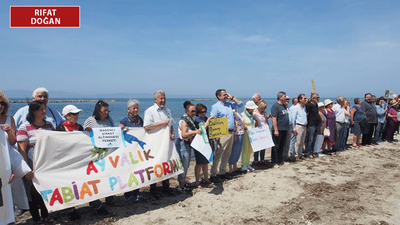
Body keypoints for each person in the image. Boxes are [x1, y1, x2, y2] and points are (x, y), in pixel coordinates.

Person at [16, 101, 54, 225]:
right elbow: (22, 150)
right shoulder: (24, 127)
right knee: (32, 193)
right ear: (33, 112)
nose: (44, 111)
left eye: (45, 109)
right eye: (41, 109)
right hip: (32, 165)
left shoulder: (48, 125)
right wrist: (26, 169)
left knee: (45, 190)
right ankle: (36, 219)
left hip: (46, 164)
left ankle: (45, 216)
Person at [0, 90, 33, 216]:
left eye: (2, 103)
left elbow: (13, 141)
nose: (0, 106)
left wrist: (9, 131)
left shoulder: (10, 119)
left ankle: (15, 209)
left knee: (14, 183)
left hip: (8, 154)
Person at [83, 100, 116, 207]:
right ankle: (95, 201)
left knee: (109, 176)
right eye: (104, 111)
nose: (106, 112)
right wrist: (87, 130)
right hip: (96, 155)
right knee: (96, 178)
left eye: (108, 110)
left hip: (108, 154)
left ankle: (110, 198)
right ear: (98, 111)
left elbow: (114, 132)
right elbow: (83, 136)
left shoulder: (109, 120)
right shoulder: (90, 120)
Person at [143, 90, 175, 198]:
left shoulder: (167, 111)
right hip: (154, 143)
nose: (163, 100)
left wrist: (172, 133)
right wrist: (161, 124)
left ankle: (166, 187)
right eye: (161, 98)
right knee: (155, 164)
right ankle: (153, 189)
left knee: (166, 162)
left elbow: (171, 124)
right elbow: (146, 127)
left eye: (164, 98)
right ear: (155, 99)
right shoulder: (149, 111)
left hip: (166, 142)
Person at [209, 89, 243, 182]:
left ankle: (222, 172)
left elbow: (240, 104)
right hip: (222, 132)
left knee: (226, 154)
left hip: (231, 132)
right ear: (219, 96)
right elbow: (213, 120)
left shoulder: (229, 104)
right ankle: (213, 174)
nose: (226, 96)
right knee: (218, 154)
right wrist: (216, 135)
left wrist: (232, 97)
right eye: (224, 95)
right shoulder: (215, 106)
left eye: (226, 94)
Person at [119, 99, 146, 203]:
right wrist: (121, 128)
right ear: (128, 109)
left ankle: (136, 193)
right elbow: (119, 131)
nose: (136, 110)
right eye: (133, 108)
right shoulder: (124, 121)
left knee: (139, 172)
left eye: (137, 108)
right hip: (128, 153)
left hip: (138, 151)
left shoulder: (141, 120)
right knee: (129, 173)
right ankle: (128, 194)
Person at [176, 102, 202, 191]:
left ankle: (182, 184)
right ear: (187, 111)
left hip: (188, 144)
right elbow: (184, 135)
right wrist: (195, 132)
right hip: (183, 144)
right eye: (192, 111)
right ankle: (181, 186)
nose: (194, 112)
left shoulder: (191, 118)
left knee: (186, 165)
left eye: (195, 111)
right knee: (184, 164)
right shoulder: (184, 121)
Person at [193, 103, 214, 187]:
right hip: (199, 143)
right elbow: (202, 128)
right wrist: (208, 120)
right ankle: (197, 181)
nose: (204, 113)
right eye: (202, 112)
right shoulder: (196, 119)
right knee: (199, 163)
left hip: (207, 142)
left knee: (206, 162)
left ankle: (206, 178)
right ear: (198, 112)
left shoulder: (205, 118)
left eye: (205, 111)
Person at [271, 91, 290, 167]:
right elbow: (274, 118)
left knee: (282, 145)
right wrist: (276, 129)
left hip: (285, 128)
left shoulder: (284, 106)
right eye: (284, 96)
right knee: (276, 146)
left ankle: (280, 160)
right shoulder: (275, 106)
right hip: (278, 129)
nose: (286, 98)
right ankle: (274, 161)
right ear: (280, 97)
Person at [252, 99, 270, 168]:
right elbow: (254, 122)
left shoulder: (264, 113)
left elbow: (265, 120)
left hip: (264, 131)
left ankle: (262, 160)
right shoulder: (255, 113)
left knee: (263, 147)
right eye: (264, 107)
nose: (265, 108)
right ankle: (256, 161)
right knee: (257, 147)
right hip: (258, 131)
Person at [241, 101, 258, 171]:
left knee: (250, 149)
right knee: (245, 149)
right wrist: (244, 126)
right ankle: (243, 164)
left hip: (252, 134)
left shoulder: (252, 115)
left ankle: (247, 163)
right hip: (245, 134)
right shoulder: (242, 115)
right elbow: (240, 124)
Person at [291, 94, 308, 160]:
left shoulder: (304, 107)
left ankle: (300, 154)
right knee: (298, 141)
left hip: (304, 126)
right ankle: (296, 155)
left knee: (302, 141)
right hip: (299, 125)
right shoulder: (296, 107)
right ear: (300, 100)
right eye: (304, 98)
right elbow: (293, 118)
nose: (305, 99)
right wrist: (293, 128)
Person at [229, 109, 246, 173]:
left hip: (241, 132)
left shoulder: (237, 112)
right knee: (233, 151)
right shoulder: (232, 113)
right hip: (236, 134)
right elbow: (232, 125)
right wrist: (234, 135)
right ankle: (231, 167)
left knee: (238, 150)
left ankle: (235, 165)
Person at [305, 93, 321, 157]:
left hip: (316, 123)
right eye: (317, 97)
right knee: (310, 139)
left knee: (314, 139)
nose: (318, 99)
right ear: (313, 98)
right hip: (311, 124)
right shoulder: (309, 105)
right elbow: (307, 114)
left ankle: (312, 151)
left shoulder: (316, 105)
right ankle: (309, 153)